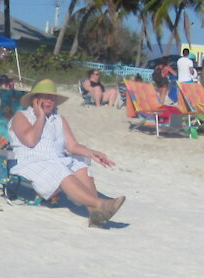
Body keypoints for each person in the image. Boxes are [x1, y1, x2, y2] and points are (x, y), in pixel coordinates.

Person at [9, 79, 125, 227]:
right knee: (60, 169)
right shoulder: (21, 116)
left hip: (56, 160)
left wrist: (92, 153)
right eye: (45, 97)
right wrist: (40, 117)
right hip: (32, 162)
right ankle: (100, 204)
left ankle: (94, 213)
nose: (50, 100)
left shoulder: (59, 120)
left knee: (81, 164)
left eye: (52, 97)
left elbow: (72, 146)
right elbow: (30, 141)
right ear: (35, 99)